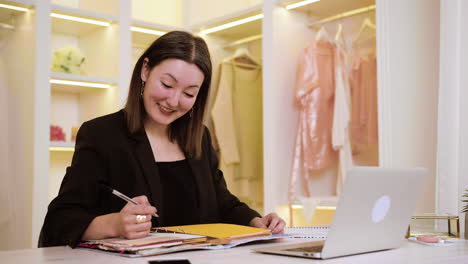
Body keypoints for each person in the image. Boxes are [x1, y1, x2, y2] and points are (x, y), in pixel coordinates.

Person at [39, 31, 285, 247]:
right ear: (145, 70)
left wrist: (256, 221)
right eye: (167, 85)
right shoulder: (101, 134)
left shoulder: (199, 136)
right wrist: (114, 224)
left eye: (189, 93)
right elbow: (59, 220)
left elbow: (223, 202)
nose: (174, 101)